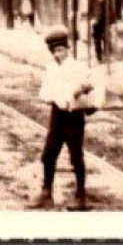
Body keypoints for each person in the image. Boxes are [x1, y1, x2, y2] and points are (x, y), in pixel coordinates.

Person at [34, 29, 93, 211]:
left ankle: (81, 195)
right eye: (55, 51)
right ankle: (46, 192)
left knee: (76, 155)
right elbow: (45, 91)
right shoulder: (51, 68)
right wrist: (50, 96)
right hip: (57, 114)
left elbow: (90, 84)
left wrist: (81, 89)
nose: (59, 54)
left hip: (73, 116)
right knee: (48, 154)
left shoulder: (77, 66)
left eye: (62, 50)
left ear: (68, 49)